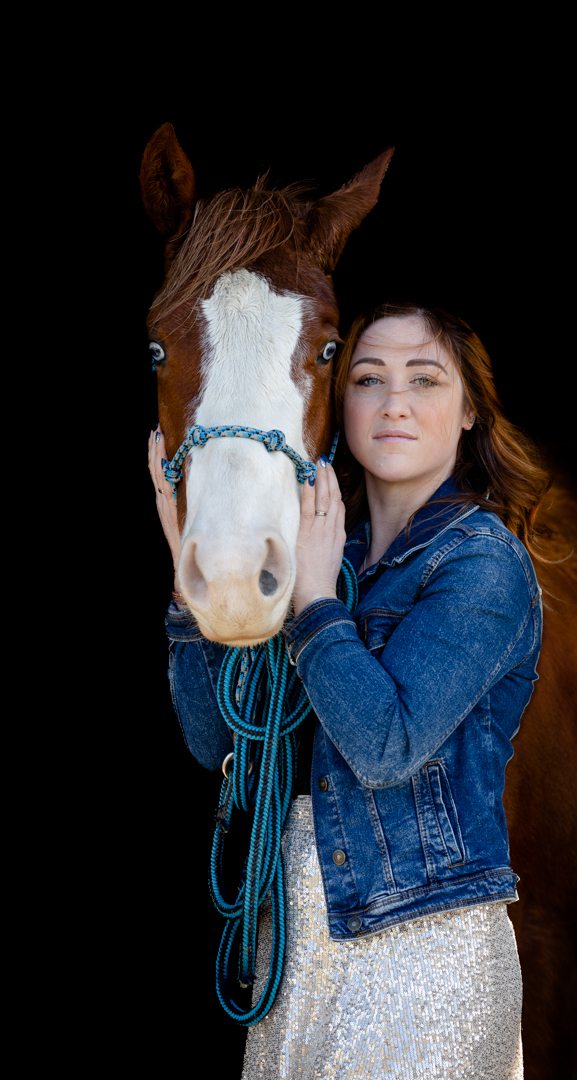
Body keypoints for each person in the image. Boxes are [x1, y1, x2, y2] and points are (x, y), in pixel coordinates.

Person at [148, 302, 550, 1079]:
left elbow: (384, 744)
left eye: (424, 379)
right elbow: (215, 743)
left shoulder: (482, 564)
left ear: (469, 411)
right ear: (339, 404)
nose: (394, 400)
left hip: (422, 957)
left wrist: (314, 610)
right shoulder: (320, 554)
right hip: (292, 954)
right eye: (369, 378)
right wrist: (192, 594)